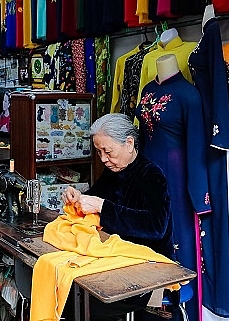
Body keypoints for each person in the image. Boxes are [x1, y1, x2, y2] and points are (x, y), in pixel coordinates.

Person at [62, 113, 174, 319]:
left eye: (108, 151)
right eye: (98, 152)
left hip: (145, 265)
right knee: (65, 287)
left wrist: (103, 207)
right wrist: (78, 198)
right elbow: (96, 198)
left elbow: (156, 227)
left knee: (83, 302)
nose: (104, 158)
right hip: (114, 256)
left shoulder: (152, 175)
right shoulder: (113, 171)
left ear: (129, 143)